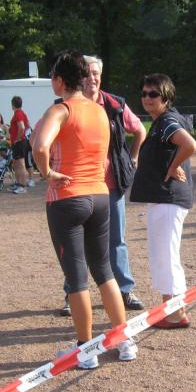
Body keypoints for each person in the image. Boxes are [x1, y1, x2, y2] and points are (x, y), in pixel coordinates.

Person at [33, 50, 138, 365]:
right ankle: (123, 339)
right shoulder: (100, 111)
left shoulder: (61, 110)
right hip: (100, 195)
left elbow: (40, 146)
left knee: (77, 277)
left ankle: (85, 348)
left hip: (67, 198)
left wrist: (47, 173)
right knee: (104, 271)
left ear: (59, 80)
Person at [44, 55, 147, 316]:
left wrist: (132, 159)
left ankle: (123, 290)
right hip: (91, 189)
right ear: (79, 77)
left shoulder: (112, 105)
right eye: (88, 73)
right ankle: (76, 298)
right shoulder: (72, 108)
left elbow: (139, 130)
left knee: (111, 244)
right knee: (89, 260)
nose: (92, 78)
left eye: (96, 73)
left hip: (99, 187)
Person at [130, 74, 196, 328]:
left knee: (166, 257)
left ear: (166, 97)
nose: (147, 98)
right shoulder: (163, 121)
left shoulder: (167, 121)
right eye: (144, 93)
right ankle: (173, 309)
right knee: (165, 255)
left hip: (168, 197)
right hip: (165, 197)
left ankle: (175, 313)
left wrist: (172, 165)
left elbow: (189, 144)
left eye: (153, 94)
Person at [8, 96, 31, 194]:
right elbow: (28, 125)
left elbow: (22, 127)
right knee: (16, 164)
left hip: (19, 142)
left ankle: (23, 186)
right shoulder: (21, 113)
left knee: (21, 164)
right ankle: (18, 184)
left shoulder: (18, 114)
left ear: (13, 104)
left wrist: (18, 138)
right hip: (19, 142)